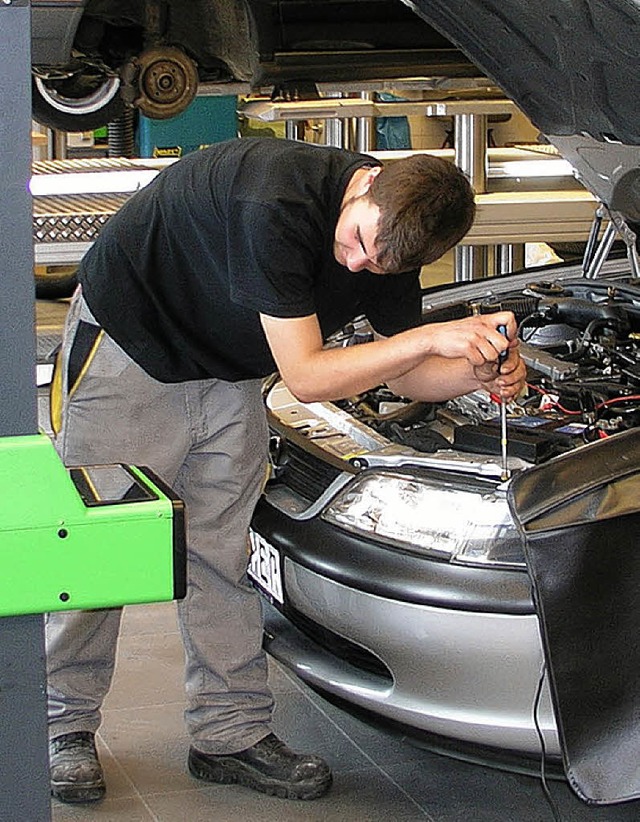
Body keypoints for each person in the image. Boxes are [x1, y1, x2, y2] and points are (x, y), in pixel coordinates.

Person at [46, 137, 525, 805]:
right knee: (96, 553)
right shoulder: (276, 198)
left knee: (222, 551)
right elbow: (306, 376)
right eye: (358, 240)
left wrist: (478, 365)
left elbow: (408, 372)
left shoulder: (394, 235)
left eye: (378, 263)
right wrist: (427, 338)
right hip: (133, 348)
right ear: (366, 183)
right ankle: (60, 728)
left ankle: (229, 734)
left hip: (232, 367)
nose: (357, 262)